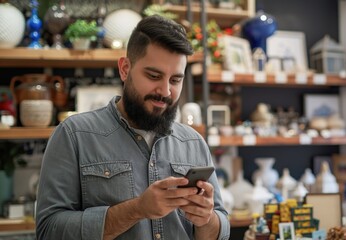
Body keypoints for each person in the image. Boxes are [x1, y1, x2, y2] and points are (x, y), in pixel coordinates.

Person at [36, 15, 230, 240]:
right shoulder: (74, 135)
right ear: (125, 68)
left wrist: (206, 220)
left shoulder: (193, 142)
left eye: (175, 80)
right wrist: (137, 209)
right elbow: (48, 231)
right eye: (154, 76)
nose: (165, 91)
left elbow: (221, 229)